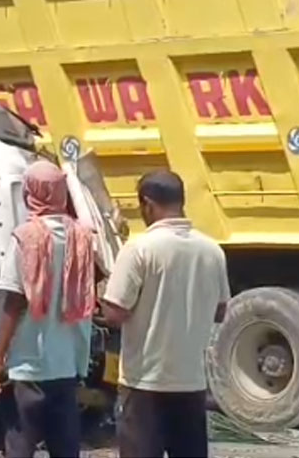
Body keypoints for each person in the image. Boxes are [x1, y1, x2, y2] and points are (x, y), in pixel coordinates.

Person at [100, 170, 230, 458]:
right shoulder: (212, 250)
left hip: (145, 384)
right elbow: (220, 310)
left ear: (147, 204)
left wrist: (100, 293)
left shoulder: (139, 249)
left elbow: (115, 313)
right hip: (192, 382)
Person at [0, 160, 95, 458]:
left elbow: (12, 303)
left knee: (20, 445)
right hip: (68, 363)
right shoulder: (82, 237)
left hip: (28, 365)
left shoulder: (25, 237)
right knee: (66, 448)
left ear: (30, 193)